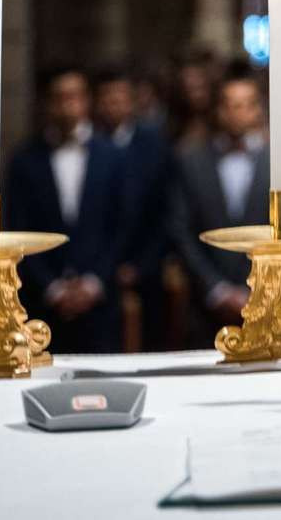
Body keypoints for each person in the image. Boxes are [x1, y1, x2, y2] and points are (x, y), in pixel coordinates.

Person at [3, 66, 129, 353]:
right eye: (59, 97)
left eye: (74, 96)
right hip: (43, 304)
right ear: (46, 103)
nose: (67, 104)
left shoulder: (112, 156)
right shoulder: (25, 160)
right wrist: (52, 287)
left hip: (101, 302)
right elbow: (17, 228)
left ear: (87, 100)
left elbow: (121, 225)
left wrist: (94, 282)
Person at [167, 71, 269, 345]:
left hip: (267, 305)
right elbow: (180, 230)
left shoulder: (276, 163)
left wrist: (259, 290)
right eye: (230, 104)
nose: (238, 112)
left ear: (258, 110)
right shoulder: (191, 161)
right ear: (217, 109)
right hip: (204, 306)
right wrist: (216, 288)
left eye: (247, 104)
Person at [93, 67, 172, 350]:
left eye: (121, 97)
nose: (114, 104)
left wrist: (140, 265)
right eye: (107, 97)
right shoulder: (89, 146)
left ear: (133, 101)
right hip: (97, 270)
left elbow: (165, 212)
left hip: (146, 267)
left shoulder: (155, 146)